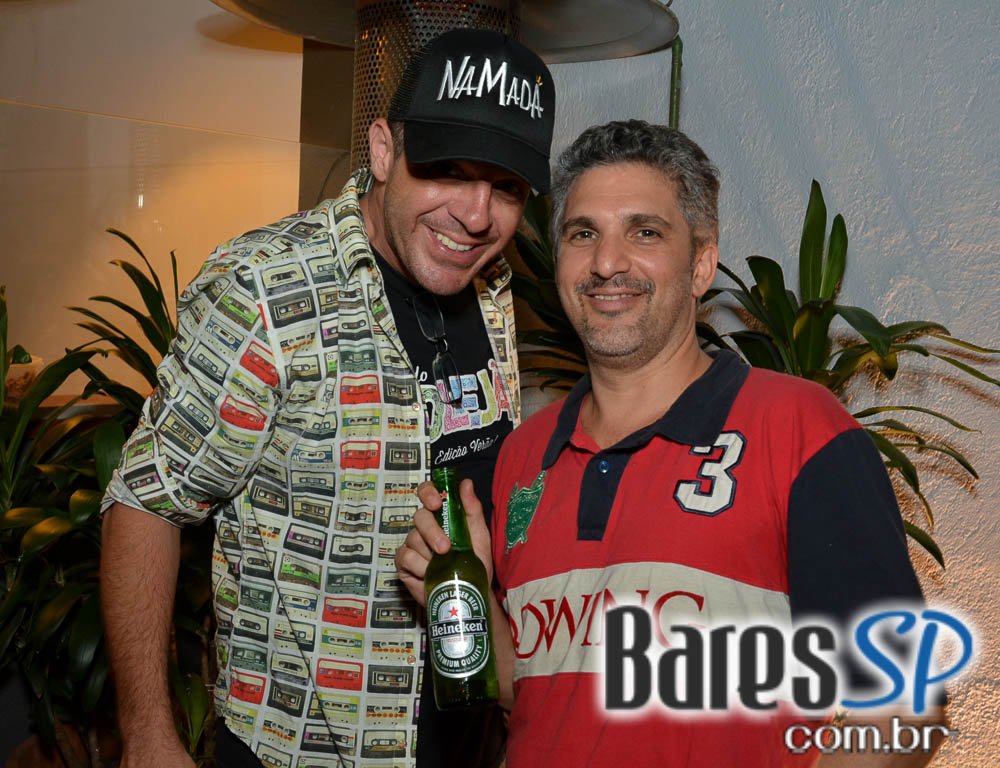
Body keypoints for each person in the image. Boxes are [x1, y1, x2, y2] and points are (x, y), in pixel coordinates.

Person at [396, 120, 947, 766]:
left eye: (645, 232)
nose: (607, 263)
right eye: (583, 234)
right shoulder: (525, 456)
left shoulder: (798, 429)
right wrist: (465, 593)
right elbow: (535, 696)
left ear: (701, 265)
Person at [100, 28, 555, 768]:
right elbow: (146, 502)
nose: (477, 216)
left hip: (468, 738)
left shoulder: (494, 289)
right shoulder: (265, 290)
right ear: (382, 150)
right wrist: (148, 733)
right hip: (305, 749)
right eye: (446, 170)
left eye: (506, 187)